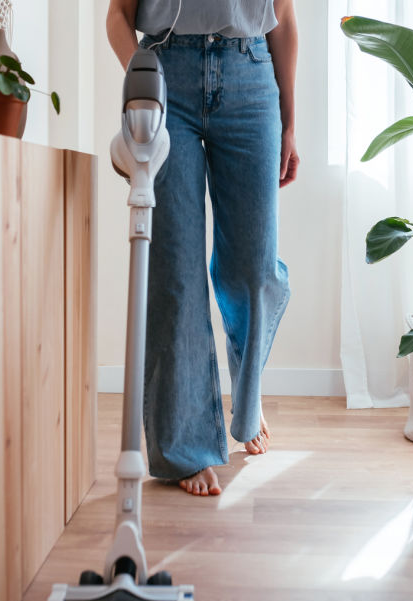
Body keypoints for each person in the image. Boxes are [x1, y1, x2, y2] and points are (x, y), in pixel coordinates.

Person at [106, 0, 299, 496]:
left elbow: (285, 17)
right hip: (167, 73)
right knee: (175, 271)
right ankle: (184, 448)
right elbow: (118, 16)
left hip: (251, 75)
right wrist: (142, 83)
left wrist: (289, 121)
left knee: (253, 269)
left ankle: (247, 403)